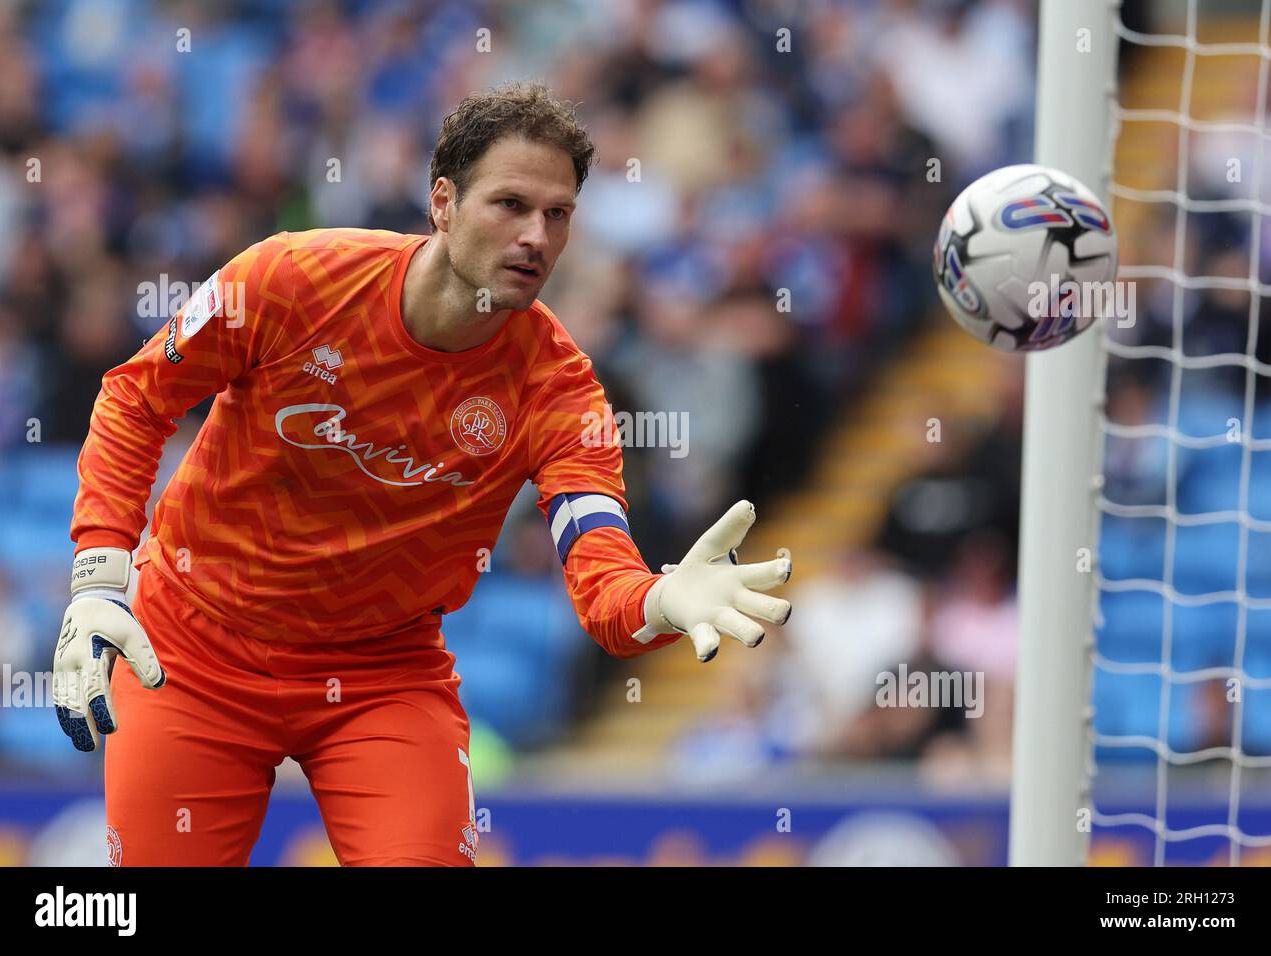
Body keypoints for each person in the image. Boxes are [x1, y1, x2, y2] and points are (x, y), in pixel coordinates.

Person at [53, 83, 793, 867]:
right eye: (510, 204)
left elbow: (602, 584)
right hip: (193, 648)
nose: (535, 236)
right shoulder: (290, 279)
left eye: (558, 214)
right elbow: (136, 398)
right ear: (442, 202)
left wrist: (659, 598)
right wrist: (99, 576)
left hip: (382, 676)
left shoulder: (561, 393)